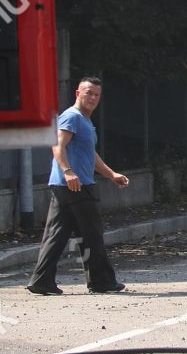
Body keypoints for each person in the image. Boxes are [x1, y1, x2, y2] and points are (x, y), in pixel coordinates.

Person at [25, 77, 130, 295]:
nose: (92, 98)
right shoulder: (72, 117)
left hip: (67, 185)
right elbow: (58, 145)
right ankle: (101, 281)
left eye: (96, 94)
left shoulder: (85, 121)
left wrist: (111, 174)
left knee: (57, 233)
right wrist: (68, 171)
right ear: (77, 93)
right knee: (92, 232)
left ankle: (42, 280)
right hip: (73, 184)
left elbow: (90, 154)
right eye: (88, 92)